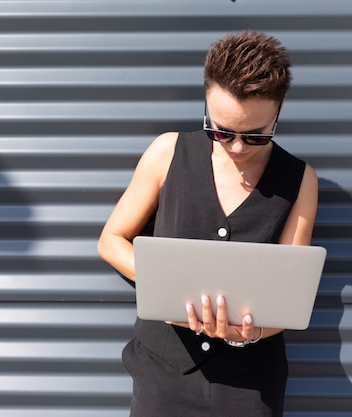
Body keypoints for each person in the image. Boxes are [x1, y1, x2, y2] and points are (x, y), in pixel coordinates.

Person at [97, 31, 318, 417]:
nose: (235, 148)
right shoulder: (168, 152)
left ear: (279, 109)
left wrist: (248, 335)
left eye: (254, 136)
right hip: (162, 372)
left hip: (251, 384)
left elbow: (289, 294)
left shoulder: (300, 180)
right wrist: (173, 289)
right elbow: (112, 239)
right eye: (220, 131)